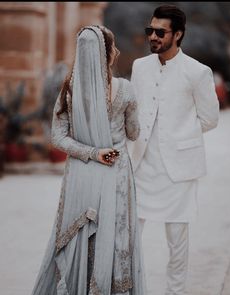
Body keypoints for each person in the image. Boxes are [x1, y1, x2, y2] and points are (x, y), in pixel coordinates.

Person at [31, 25, 145, 295]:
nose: (116, 51)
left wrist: (92, 153)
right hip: (115, 173)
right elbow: (134, 132)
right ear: (105, 54)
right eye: (112, 47)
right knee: (114, 238)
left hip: (81, 176)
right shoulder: (126, 90)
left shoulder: (69, 91)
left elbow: (58, 139)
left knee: (80, 238)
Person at [127, 5, 219, 295]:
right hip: (141, 165)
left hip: (178, 171)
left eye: (160, 32)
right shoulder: (140, 67)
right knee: (127, 238)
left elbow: (210, 119)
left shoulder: (198, 72)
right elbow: (133, 112)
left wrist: (178, 137)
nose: (152, 36)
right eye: (149, 31)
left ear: (177, 34)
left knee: (177, 243)